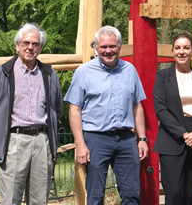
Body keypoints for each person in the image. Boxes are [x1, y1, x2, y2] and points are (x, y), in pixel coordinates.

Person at [0, 23, 63, 205]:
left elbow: (57, 108)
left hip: (42, 141)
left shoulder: (49, 74)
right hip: (14, 141)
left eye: (35, 44)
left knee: (40, 200)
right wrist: (2, 129)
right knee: (10, 200)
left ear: (40, 48)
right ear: (17, 45)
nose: (30, 47)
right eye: (26, 43)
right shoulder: (2, 73)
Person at [64, 26, 149, 205]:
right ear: (96, 47)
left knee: (131, 194)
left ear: (119, 47)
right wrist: (80, 144)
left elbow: (137, 106)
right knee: (95, 195)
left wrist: (142, 138)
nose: (108, 51)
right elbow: (74, 110)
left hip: (126, 139)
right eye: (103, 47)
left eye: (112, 46)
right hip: (96, 139)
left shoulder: (129, 70)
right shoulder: (84, 72)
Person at [153, 32, 192, 205]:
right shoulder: (163, 77)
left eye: (186, 48)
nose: (182, 52)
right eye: (178, 48)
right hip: (173, 139)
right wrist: (184, 134)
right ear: (173, 51)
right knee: (174, 194)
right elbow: (161, 109)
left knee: (190, 195)